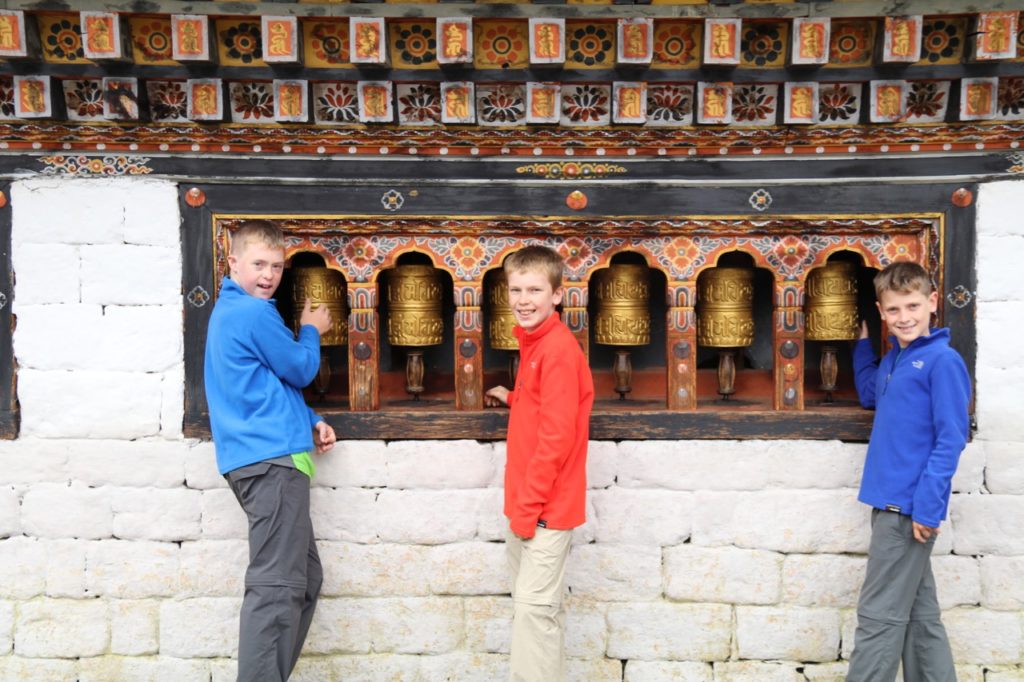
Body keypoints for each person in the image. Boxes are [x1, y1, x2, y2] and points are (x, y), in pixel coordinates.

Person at [204, 220, 337, 682]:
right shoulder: (255, 314)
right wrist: (310, 329)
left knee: (304, 580)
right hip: (270, 463)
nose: (269, 274)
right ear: (233, 262)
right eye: (258, 264)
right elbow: (300, 369)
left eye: (277, 266)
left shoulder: (233, 312)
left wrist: (312, 420)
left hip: (268, 458)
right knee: (277, 587)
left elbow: (272, 384)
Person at [846, 261, 971, 682]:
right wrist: (863, 346)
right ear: (882, 312)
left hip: (908, 507)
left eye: (913, 306)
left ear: (933, 303)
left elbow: (951, 438)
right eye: (895, 310)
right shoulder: (895, 359)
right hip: (887, 503)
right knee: (920, 618)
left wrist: (927, 508)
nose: (905, 318)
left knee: (878, 616)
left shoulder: (942, 361)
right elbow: (870, 394)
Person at [484, 245, 595, 681]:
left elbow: (556, 438)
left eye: (534, 289)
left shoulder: (557, 351)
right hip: (529, 507)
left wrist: (526, 513)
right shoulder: (534, 345)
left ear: (557, 295)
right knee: (538, 616)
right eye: (516, 289)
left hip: (544, 511)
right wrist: (513, 397)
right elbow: (546, 409)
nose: (523, 299)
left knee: (534, 617)